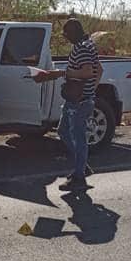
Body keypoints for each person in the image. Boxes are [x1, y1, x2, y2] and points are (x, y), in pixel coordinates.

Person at [39, 18, 102, 191]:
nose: (66, 37)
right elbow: (99, 70)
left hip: (79, 102)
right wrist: (91, 91)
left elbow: (87, 72)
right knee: (63, 131)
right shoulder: (88, 45)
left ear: (74, 32)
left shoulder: (82, 47)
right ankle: (82, 166)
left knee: (79, 137)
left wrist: (63, 73)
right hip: (78, 99)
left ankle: (79, 177)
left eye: (67, 33)